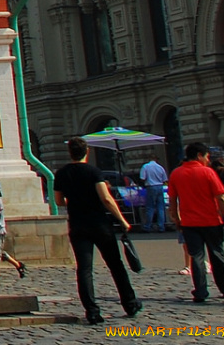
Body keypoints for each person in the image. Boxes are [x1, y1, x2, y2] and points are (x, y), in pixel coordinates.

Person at [56, 136, 141, 324]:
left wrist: (74, 201)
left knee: (84, 269)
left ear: (70, 153)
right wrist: (122, 220)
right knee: (115, 265)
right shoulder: (93, 172)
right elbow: (106, 199)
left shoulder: (62, 174)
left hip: (78, 225)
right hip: (100, 224)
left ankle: (92, 311)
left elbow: (58, 201)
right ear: (87, 152)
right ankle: (130, 302)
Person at [169, 141, 224, 303]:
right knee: (217, 255)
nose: (208, 160)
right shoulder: (207, 172)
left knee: (197, 257)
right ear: (199, 155)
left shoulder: (176, 173)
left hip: (189, 223)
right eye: (207, 156)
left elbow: (173, 199)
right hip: (211, 221)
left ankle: (200, 291)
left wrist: (176, 218)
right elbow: (220, 198)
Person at [140, 155, 169, 233]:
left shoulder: (145, 167)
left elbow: (142, 178)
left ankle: (147, 227)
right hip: (159, 187)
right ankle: (161, 227)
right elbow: (165, 179)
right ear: (156, 159)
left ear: (149, 159)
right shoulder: (160, 167)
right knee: (160, 208)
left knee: (150, 207)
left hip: (150, 187)